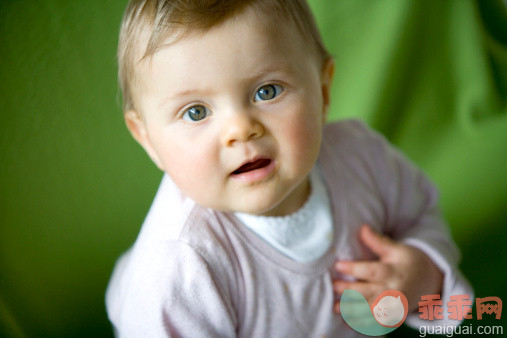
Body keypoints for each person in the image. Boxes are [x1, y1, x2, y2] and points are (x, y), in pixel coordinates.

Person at [106, 0, 472, 336]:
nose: (240, 129)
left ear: (323, 91)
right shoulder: (179, 270)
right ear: (148, 138)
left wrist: (422, 272)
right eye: (196, 112)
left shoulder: (361, 157)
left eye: (267, 91)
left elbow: (421, 214)